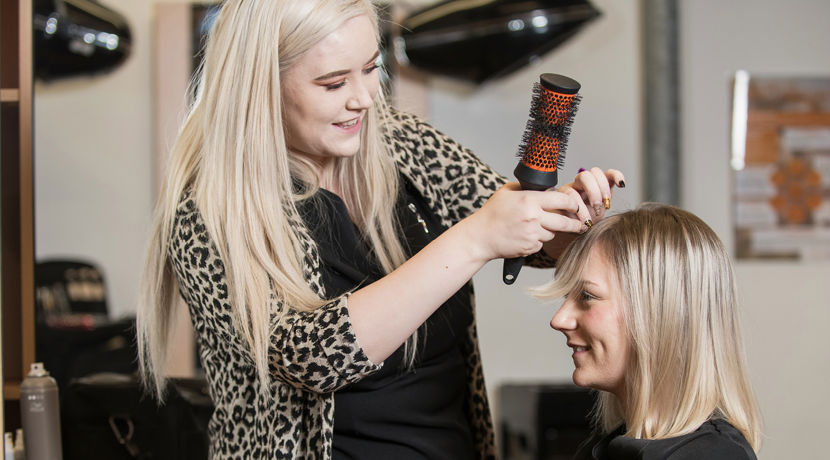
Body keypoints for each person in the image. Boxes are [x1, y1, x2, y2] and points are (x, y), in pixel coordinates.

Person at [136, 0, 624, 458]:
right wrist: (476, 238)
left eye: (371, 69)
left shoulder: (402, 143)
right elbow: (309, 358)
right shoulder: (207, 212)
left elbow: (521, 231)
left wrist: (567, 219)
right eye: (333, 83)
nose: (365, 98)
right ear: (259, 86)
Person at [535, 203, 762, 459]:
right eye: (567, 296)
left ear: (658, 312)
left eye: (587, 296)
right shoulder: (608, 448)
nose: (559, 319)